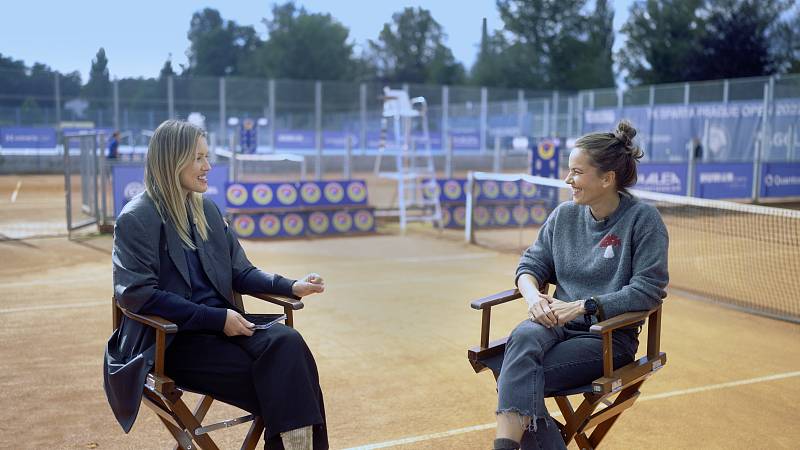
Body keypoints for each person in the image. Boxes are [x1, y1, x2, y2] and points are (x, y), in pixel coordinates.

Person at [104, 120, 328, 450]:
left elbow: (241, 271)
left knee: (287, 344)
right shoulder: (136, 218)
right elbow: (138, 295)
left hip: (226, 332)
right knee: (293, 382)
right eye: (198, 158)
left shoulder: (206, 210)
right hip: (172, 343)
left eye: (206, 157)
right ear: (172, 160)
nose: (208, 166)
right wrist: (217, 319)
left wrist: (290, 286)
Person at [492, 120, 669, 450]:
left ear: (606, 178)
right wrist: (533, 297)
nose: (567, 180)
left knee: (514, 372)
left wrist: (582, 306)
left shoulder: (644, 221)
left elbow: (649, 290)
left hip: (607, 338)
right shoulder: (563, 216)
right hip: (555, 324)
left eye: (576, 172)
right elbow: (530, 265)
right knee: (523, 338)